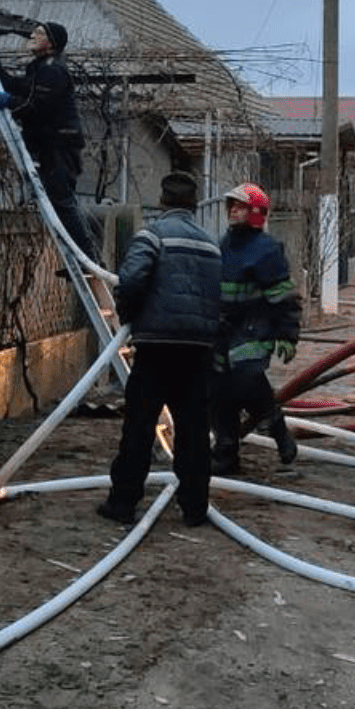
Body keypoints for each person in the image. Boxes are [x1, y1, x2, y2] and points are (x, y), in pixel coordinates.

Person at [99, 170, 223, 528]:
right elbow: (218, 296)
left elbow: (133, 279)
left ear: (164, 201)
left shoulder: (151, 236)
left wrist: (129, 315)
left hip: (156, 345)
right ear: (194, 204)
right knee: (194, 431)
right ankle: (195, 508)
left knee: (139, 425)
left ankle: (122, 503)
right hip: (197, 348)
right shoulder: (211, 244)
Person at [209, 183, 302, 477]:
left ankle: (278, 430)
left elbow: (284, 298)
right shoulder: (223, 245)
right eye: (231, 206)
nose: (233, 211)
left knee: (248, 378)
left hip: (255, 327)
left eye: (240, 206)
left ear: (255, 213)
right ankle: (226, 454)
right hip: (223, 330)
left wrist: (287, 335)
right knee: (220, 391)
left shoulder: (266, 251)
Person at [0, 21, 97, 261]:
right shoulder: (40, 68)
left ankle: (87, 259)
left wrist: (10, 102)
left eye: (39, 33)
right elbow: (19, 87)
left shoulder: (53, 71)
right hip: (51, 144)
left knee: (62, 203)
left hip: (60, 145)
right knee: (60, 203)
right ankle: (78, 258)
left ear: (51, 43)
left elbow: (37, 107)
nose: (32, 35)